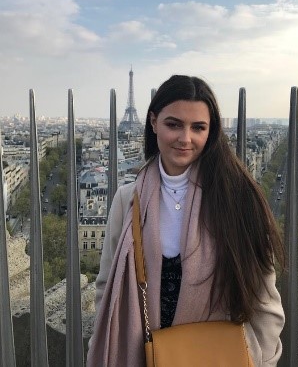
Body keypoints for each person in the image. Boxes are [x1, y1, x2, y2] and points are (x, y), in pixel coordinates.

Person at [87, 75, 285, 367]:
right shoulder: (127, 200)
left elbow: (265, 303)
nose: (185, 138)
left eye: (198, 127)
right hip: (147, 356)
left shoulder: (238, 200)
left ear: (211, 132)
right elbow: (107, 288)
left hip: (214, 358)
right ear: (153, 122)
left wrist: (258, 360)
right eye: (174, 124)